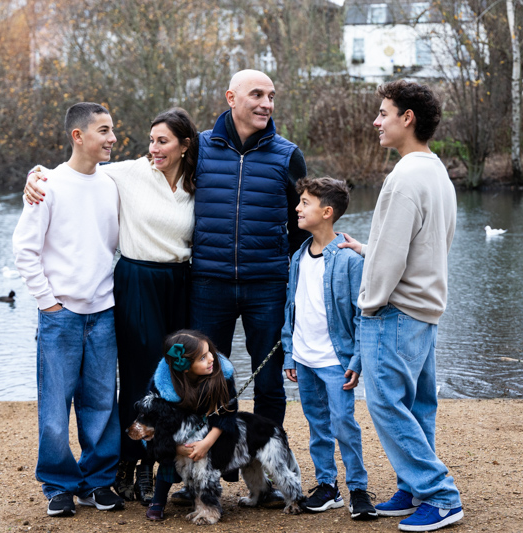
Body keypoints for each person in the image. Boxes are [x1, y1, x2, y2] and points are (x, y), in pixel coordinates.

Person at [23, 108, 198, 505]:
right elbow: (65, 179)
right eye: (105, 131)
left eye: (162, 141)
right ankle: (82, 479)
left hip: (152, 292)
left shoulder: (192, 181)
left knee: (119, 394)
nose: (151, 147)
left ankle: (111, 476)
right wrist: (34, 176)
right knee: (89, 395)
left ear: (185, 146)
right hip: (118, 290)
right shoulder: (121, 174)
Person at [176, 68, 309, 506]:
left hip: (267, 285)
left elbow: (301, 223)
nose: (267, 103)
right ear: (231, 97)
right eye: (257, 94)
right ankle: (199, 473)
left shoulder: (288, 155)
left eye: (272, 95)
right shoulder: (198, 147)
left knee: (269, 382)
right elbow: (148, 173)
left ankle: (266, 479)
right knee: (203, 380)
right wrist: (44, 174)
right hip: (209, 282)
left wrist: (288, 264)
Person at [338, 80, 464, 531]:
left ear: (406, 118)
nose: (377, 121)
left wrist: (367, 307)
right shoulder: (435, 172)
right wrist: (368, 249)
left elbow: (392, 259)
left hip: (394, 313)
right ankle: (414, 488)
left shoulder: (403, 177)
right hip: (424, 310)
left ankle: (442, 496)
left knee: (388, 406)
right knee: (418, 406)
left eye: (384, 112)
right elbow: (424, 245)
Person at [12, 102, 125, 517]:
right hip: (60, 315)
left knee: (101, 403)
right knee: (55, 407)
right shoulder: (48, 184)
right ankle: (58, 485)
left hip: (104, 311)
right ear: (78, 136)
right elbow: (25, 248)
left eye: (112, 130)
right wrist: (49, 302)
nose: (112, 138)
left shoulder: (112, 181)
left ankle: (97, 482)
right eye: (104, 130)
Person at [280, 176, 376, 521]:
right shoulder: (298, 257)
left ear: (327, 212)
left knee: (343, 424)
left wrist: (357, 359)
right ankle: (327, 487)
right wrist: (290, 353)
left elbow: (362, 314)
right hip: (304, 359)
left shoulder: (349, 260)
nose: (297, 208)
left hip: (336, 361)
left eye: (305, 202)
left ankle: (359, 489)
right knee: (317, 424)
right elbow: (291, 308)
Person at [142, 330, 239, 521]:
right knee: (167, 460)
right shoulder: (161, 385)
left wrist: (207, 443)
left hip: (211, 432)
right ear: (185, 367)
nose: (212, 358)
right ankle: (158, 500)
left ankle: (206, 499)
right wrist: (176, 448)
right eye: (203, 357)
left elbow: (227, 414)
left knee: (209, 462)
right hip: (174, 434)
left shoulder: (221, 376)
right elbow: (153, 421)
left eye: (210, 351)